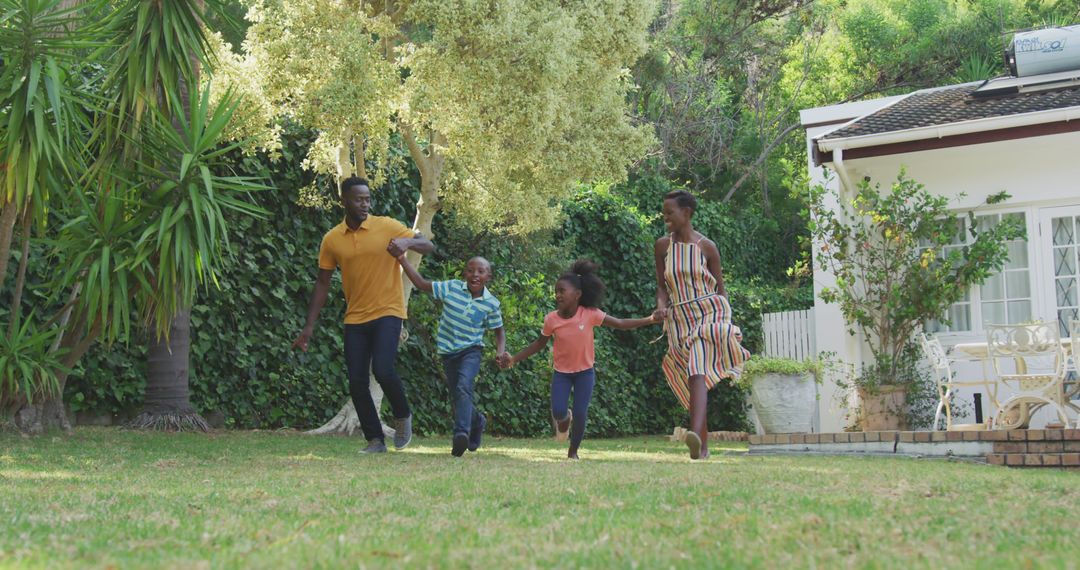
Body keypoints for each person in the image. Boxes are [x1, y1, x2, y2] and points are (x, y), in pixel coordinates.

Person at [293, 176, 434, 454]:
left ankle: (403, 415)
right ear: (344, 200)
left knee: (382, 369)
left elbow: (427, 245)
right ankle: (375, 440)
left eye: (367, 199)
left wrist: (406, 245)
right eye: (359, 199)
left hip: (388, 311)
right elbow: (322, 283)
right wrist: (309, 327)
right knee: (357, 381)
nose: (365, 204)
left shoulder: (386, 226)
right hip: (355, 318)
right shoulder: (332, 239)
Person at [499, 260, 657, 459]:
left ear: (577, 295)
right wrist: (513, 359)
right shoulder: (551, 319)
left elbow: (620, 323)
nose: (558, 295)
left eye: (562, 291)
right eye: (556, 291)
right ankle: (565, 420)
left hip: (585, 373)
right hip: (562, 374)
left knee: (581, 412)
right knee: (558, 412)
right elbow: (538, 344)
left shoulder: (590, 314)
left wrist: (649, 319)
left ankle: (573, 452)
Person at [652, 190, 750, 460]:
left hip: (709, 312)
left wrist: (726, 326)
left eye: (670, 213)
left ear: (687, 213)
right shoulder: (663, 246)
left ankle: (693, 432)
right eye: (664, 214)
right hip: (679, 319)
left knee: (697, 367)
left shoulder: (707, 247)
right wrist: (661, 306)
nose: (666, 218)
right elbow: (662, 287)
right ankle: (701, 448)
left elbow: (721, 289)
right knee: (693, 378)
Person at [397, 254, 507, 457]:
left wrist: (500, 352)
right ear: (465, 273)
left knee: (464, 386)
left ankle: (461, 435)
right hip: (448, 352)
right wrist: (402, 259)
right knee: (458, 397)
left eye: (480, 271)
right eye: (470, 270)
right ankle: (477, 421)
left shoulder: (491, 303)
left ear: (488, 277)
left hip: (472, 351)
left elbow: (499, 331)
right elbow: (421, 284)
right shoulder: (452, 287)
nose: (475, 274)